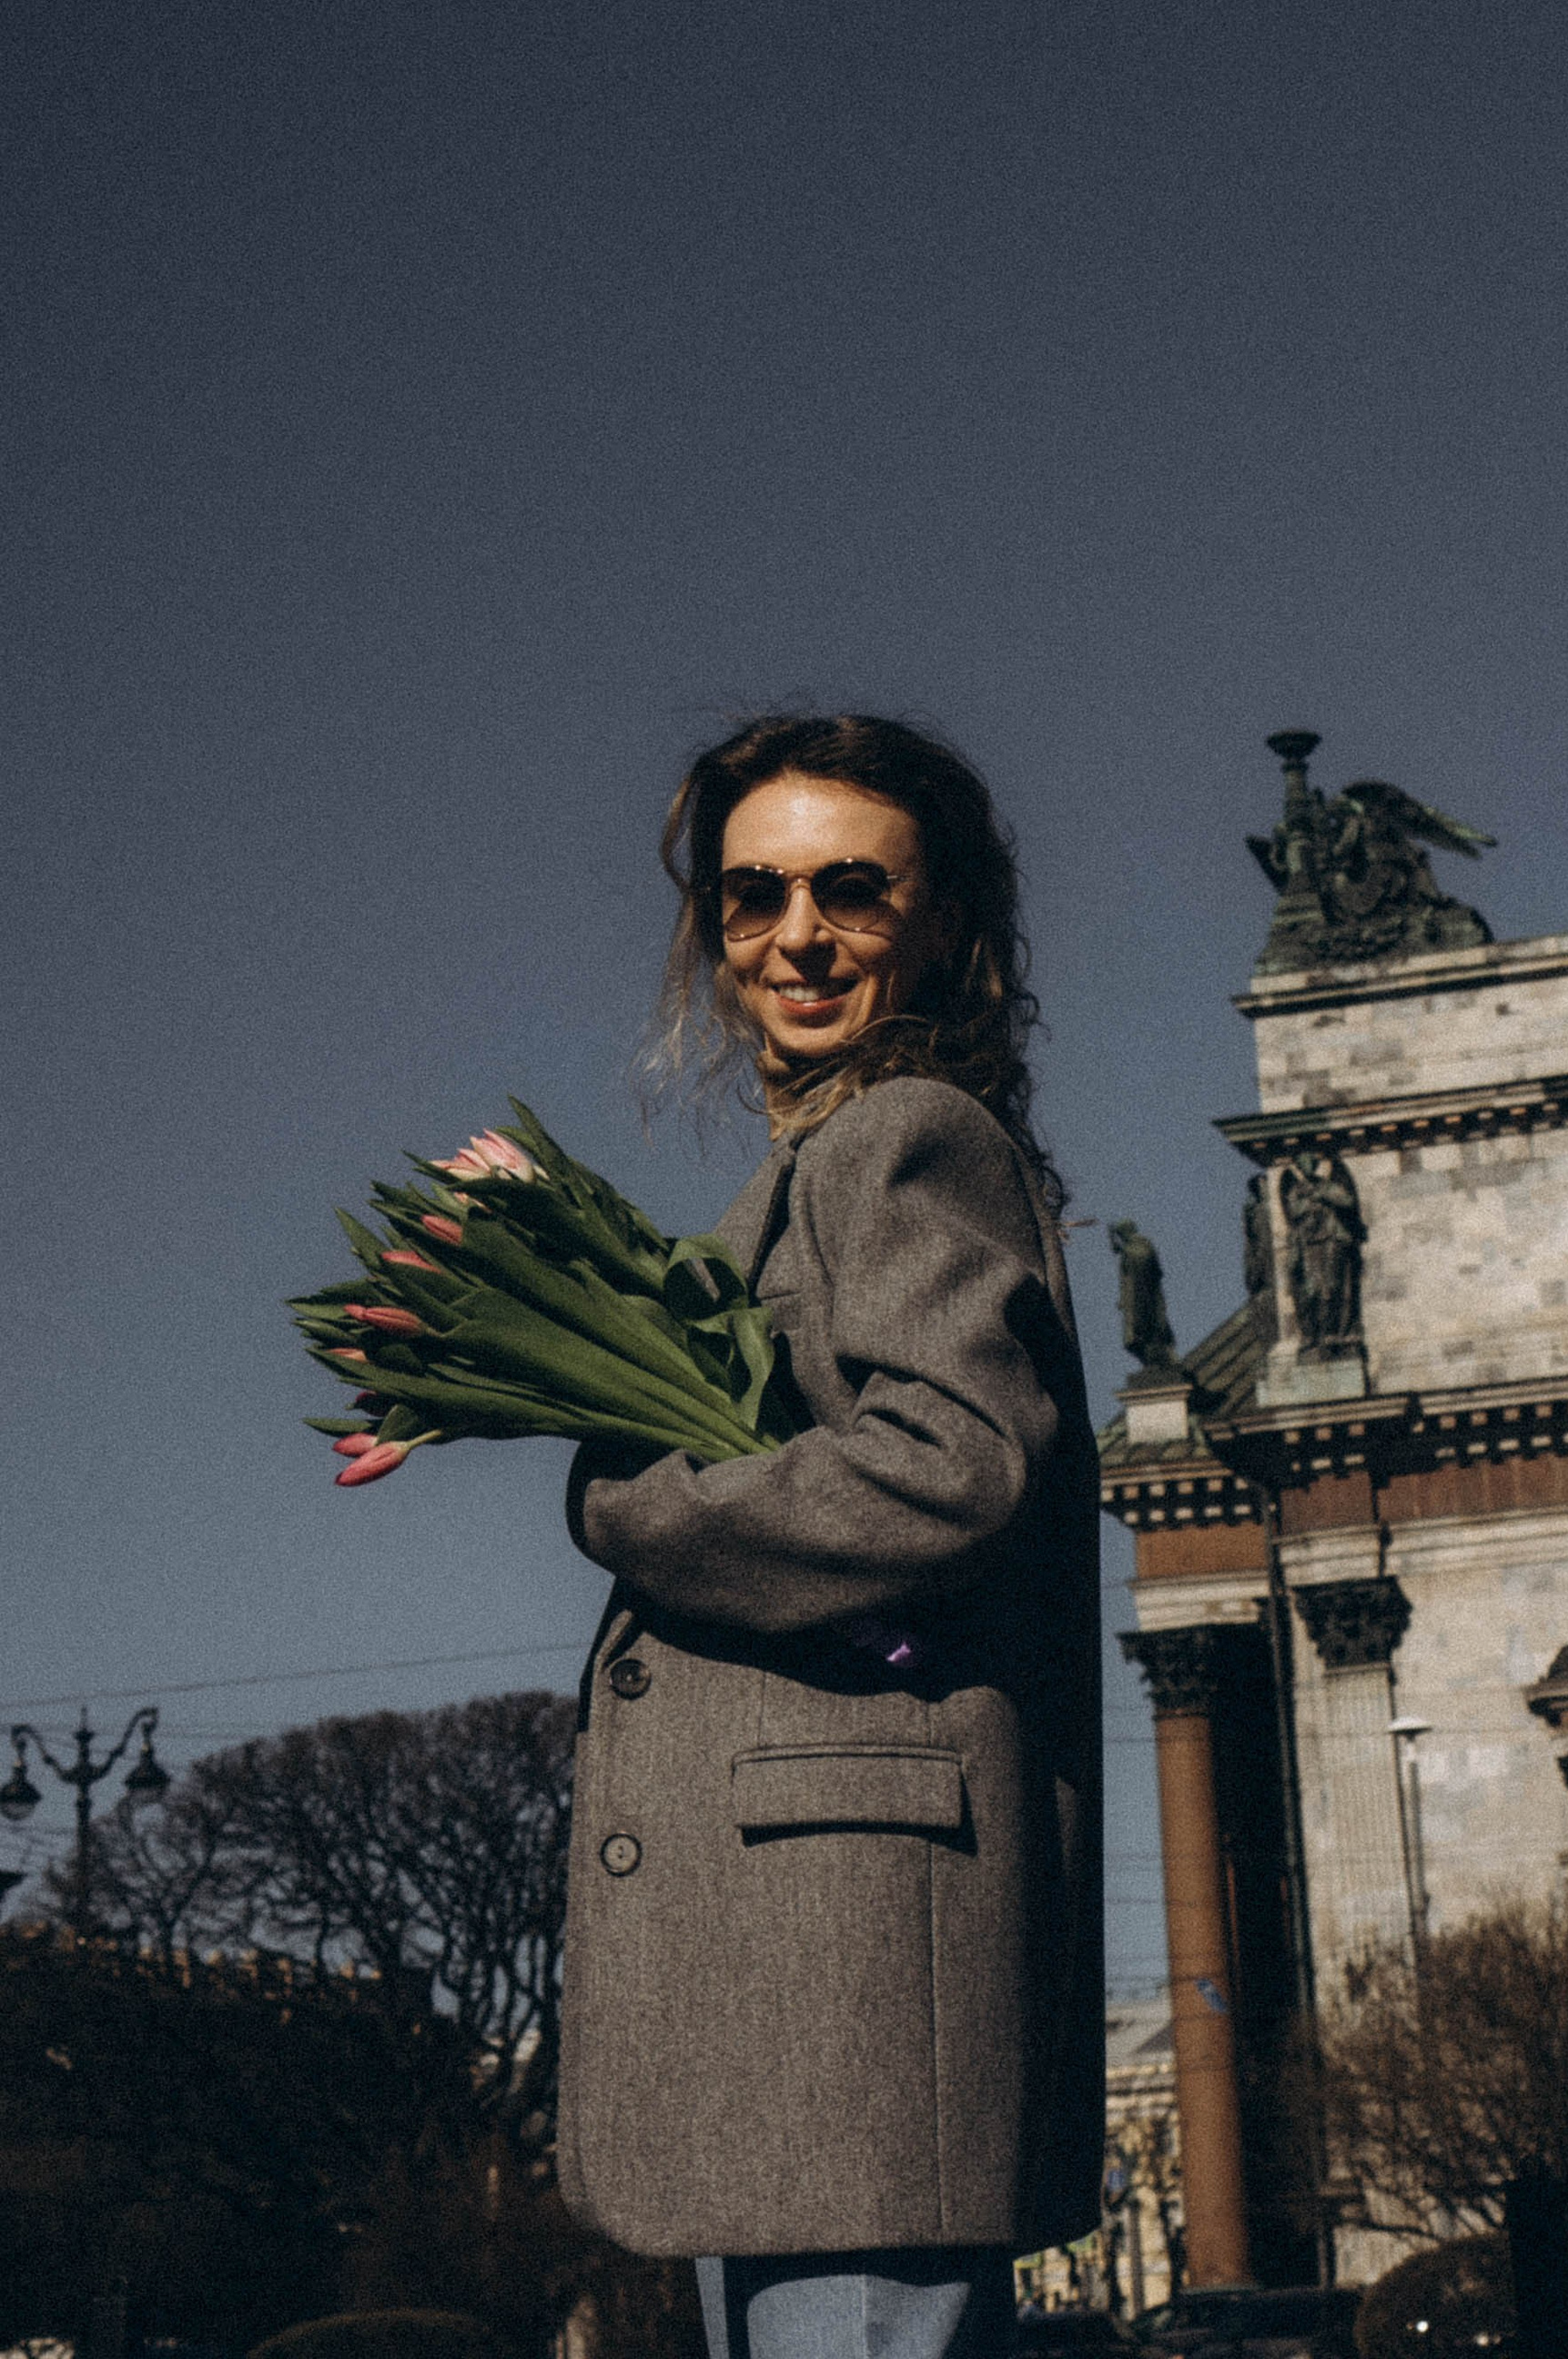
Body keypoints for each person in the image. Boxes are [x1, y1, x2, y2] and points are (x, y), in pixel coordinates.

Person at [556, 711, 1102, 2359]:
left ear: (947, 924)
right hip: (823, 1972)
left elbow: (956, 1458)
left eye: (851, 891)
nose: (795, 936)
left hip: (856, 1965)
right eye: (750, 896)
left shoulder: (903, 1138)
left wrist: (651, 1508)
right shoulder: (817, 1168)